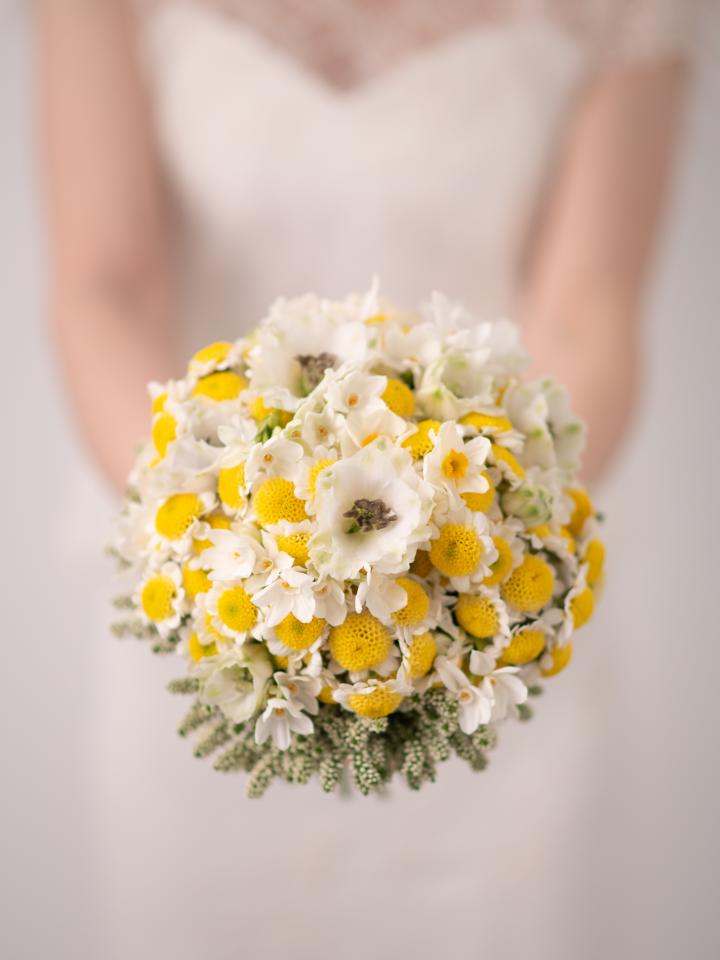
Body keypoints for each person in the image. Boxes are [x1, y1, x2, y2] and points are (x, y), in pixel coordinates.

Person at [32, 2, 701, 958]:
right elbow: (106, 288)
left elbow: (584, 320)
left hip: (487, 633)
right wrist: (221, 558)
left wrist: (471, 565)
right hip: (215, 635)